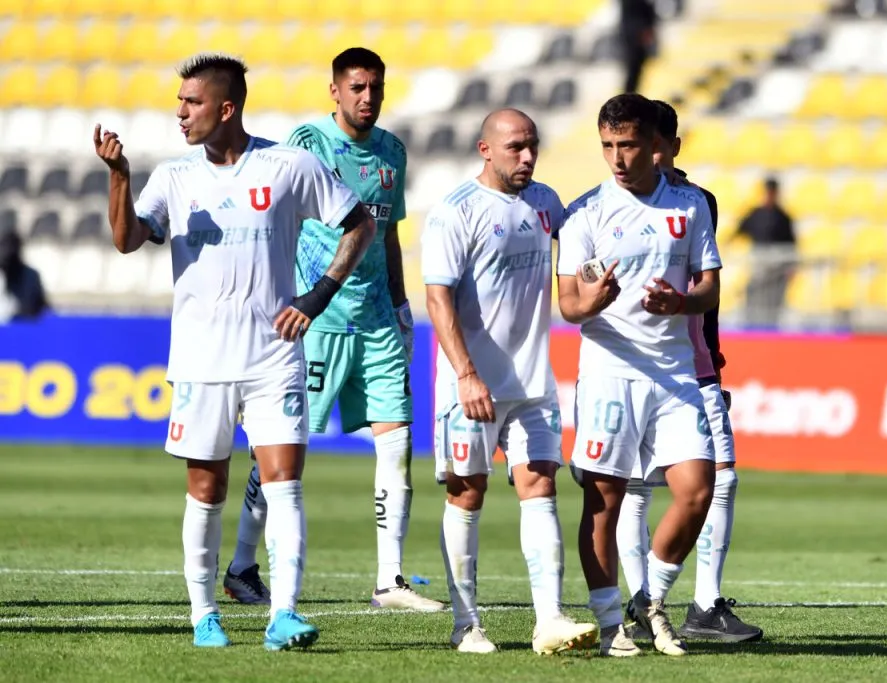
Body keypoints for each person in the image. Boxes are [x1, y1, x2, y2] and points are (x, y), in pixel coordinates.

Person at [93, 52, 377, 649]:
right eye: (179, 101)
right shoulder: (174, 176)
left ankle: (284, 614)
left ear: (226, 109)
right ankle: (204, 616)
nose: (180, 112)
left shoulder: (289, 166)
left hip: (274, 356)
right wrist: (118, 174)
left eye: (192, 102)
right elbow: (126, 240)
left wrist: (317, 295)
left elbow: (359, 224)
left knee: (284, 484)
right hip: (202, 360)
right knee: (207, 491)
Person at [222, 47, 442, 613]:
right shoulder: (308, 144)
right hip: (315, 321)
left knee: (397, 442)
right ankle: (242, 565)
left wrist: (401, 305)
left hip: (377, 321)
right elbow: (278, 220)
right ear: (336, 91)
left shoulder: (392, 151)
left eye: (376, 88)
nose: (368, 98)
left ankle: (390, 580)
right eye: (357, 88)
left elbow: (387, 234)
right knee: (280, 448)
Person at [422, 108, 599, 655]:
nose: (527, 157)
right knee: (466, 491)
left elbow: (583, 246)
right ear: (485, 150)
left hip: (533, 383)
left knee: (541, 486)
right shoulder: (455, 211)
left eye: (533, 146)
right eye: (516, 148)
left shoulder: (544, 203)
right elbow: (437, 298)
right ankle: (466, 625)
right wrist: (466, 374)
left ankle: (549, 620)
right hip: (472, 384)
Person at [557, 93, 720, 657]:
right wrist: (594, 301)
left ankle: (648, 600)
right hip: (610, 371)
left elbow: (709, 287)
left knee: (697, 491)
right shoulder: (584, 212)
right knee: (603, 502)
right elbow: (569, 305)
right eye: (607, 146)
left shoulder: (690, 205)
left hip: (674, 373)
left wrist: (682, 302)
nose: (617, 158)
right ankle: (610, 626)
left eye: (626, 145)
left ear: (655, 145)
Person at [615, 100, 763, 644]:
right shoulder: (611, 205)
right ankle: (641, 601)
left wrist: (715, 359)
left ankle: (704, 603)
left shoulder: (698, 203)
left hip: (694, 365)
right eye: (638, 146)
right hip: (631, 366)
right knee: (636, 489)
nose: (645, 157)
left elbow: (706, 289)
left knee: (721, 479)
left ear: (672, 147)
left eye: (656, 146)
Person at [736, 176, 796, 328]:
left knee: (774, 298)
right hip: (759, 263)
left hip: (777, 266)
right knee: (754, 292)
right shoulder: (755, 214)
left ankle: (771, 327)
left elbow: (791, 244)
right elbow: (739, 230)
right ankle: (752, 324)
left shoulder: (783, 217)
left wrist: (791, 267)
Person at [0, 225, 47, 323]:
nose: (9, 252)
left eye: (12, 247)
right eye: (4, 248)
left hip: (25, 326)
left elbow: (41, 307)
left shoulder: (31, 276)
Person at [619, 0, 658, 93]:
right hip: (635, 34)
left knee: (636, 69)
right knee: (633, 69)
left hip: (635, 33)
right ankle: (629, 95)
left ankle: (631, 94)